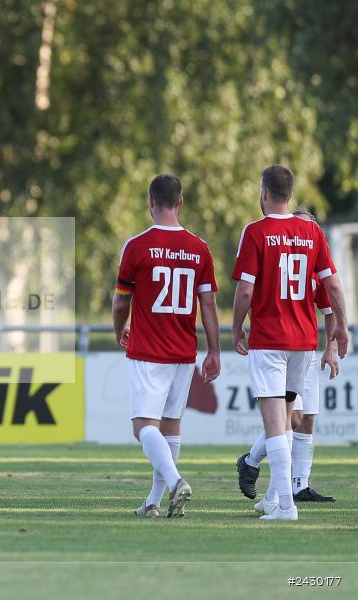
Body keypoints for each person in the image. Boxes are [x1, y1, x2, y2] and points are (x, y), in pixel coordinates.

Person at [232, 165, 348, 521]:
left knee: (276, 423)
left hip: (269, 340)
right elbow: (332, 285)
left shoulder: (255, 231)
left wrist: (236, 328)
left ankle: (286, 505)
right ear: (291, 194)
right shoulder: (312, 232)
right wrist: (342, 327)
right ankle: (275, 500)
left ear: (265, 192)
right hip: (302, 343)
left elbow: (246, 290)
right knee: (287, 420)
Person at [113, 174, 220, 518]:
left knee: (144, 427)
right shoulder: (199, 248)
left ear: (151, 201)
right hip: (183, 352)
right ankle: (154, 503)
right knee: (170, 427)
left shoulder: (137, 246)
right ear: (180, 202)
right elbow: (208, 305)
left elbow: (121, 302)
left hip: (148, 350)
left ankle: (175, 482)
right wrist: (214, 350)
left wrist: (119, 329)